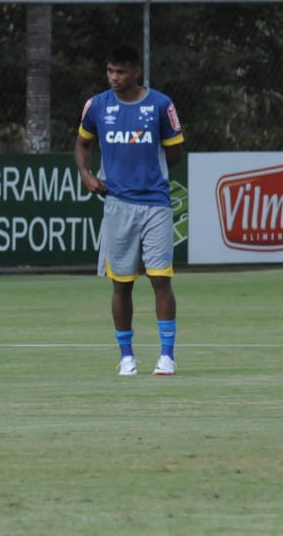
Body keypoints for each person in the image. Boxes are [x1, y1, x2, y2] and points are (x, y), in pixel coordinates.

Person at [75, 45, 184, 376]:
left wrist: (148, 172)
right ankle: (127, 356)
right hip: (118, 205)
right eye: (110, 71)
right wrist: (86, 174)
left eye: (121, 71)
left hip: (155, 204)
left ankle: (167, 355)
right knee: (121, 283)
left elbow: (175, 152)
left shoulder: (161, 105)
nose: (114, 78)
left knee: (160, 278)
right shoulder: (97, 106)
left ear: (137, 72)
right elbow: (82, 144)